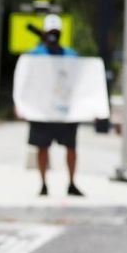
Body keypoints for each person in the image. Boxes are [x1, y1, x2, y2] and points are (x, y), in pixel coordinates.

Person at [27, 13, 83, 197]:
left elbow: (81, 81)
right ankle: (43, 184)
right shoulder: (34, 55)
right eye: (50, 32)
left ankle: (72, 183)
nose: (53, 35)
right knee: (42, 147)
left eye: (56, 32)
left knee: (71, 148)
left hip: (65, 111)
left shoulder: (71, 56)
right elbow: (27, 81)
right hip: (43, 111)